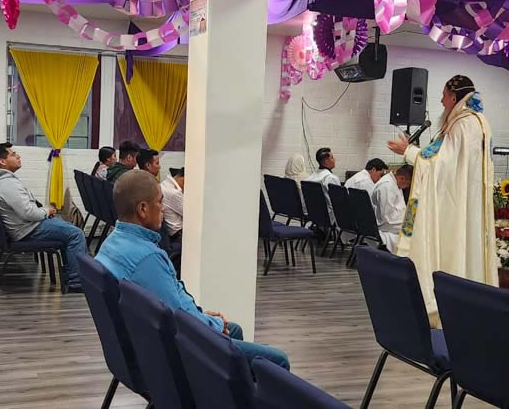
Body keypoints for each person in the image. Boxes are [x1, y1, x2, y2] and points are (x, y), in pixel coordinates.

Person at [96, 170, 290, 370]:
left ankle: (228, 387)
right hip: (176, 353)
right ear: (143, 209)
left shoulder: (111, 244)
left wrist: (203, 316)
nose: (163, 208)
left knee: (234, 330)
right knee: (278, 360)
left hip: (142, 342)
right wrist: (212, 324)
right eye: (160, 202)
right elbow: (179, 320)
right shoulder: (147, 258)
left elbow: (171, 304)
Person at [386, 75, 498, 327]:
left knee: (452, 248)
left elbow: (439, 166)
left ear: (454, 97)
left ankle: (447, 304)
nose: (441, 101)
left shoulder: (463, 125)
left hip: (454, 206)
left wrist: (408, 151)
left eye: (444, 95)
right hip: (466, 203)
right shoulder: (477, 122)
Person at [0, 143, 87, 293]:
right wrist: (46, 211)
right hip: (27, 230)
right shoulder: (7, 184)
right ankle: (76, 282)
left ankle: (71, 276)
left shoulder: (1, 179)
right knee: (76, 234)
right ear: (2, 161)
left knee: (68, 229)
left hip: (25, 226)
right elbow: (29, 213)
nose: (18, 156)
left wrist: (43, 211)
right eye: (13, 154)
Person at [372, 164, 412, 253]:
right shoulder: (387, 187)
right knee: (416, 229)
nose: (407, 187)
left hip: (391, 221)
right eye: (408, 184)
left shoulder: (394, 182)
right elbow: (387, 217)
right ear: (402, 178)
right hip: (384, 224)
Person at [305, 147, 340, 222]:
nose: (334, 160)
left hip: (314, 216)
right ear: (326, 161)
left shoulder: (310, 178)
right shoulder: (331, 178)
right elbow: (337, 203)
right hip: (330, 217)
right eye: (332, 158)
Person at [160, 167, 185, 242]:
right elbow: (191, 215)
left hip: (169, 234)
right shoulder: (174, 193)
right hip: (178, 235)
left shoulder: (164, 184)